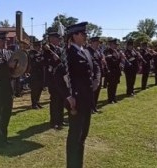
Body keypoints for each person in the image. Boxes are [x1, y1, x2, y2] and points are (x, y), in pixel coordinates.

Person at [64, 22, 100, 168]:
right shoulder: (68, 53)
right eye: (83, 34)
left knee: (82, 136)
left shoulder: (84, 51)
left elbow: (94, 66)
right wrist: (68, 95)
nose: (86, 36)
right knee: (75, 136)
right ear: (75, 35)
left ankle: (78, 164)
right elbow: (59, 76)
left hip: (86, 100)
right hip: (76, 101)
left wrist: (96, 78)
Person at [0, 32, 14, 147]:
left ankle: (4, 138)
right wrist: (7, 65)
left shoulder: (8, 53)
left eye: (5, 40)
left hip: (8, 88)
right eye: (2, 40)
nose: (5, 42)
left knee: (7, 114)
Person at [87, 36, 103, 113]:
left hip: (98, 74)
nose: (98, 45)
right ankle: (90, 108)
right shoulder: (88, 51)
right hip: (92, 75)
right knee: (92, 92)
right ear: (92, 43)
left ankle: (94, 107)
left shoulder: (98, 51)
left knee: (97, 91)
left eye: (98, 43)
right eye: (96, 43)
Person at [29, 40, 44, 109]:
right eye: (39, 46)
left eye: (40, 46)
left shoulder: (40, 53)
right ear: (36, 46)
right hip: (35, 74)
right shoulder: (32, 53)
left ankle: (37, 102)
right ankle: (34, 104)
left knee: (40, 88)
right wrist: (41, 60)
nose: (40, 47)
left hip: (41, 74)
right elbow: (34, 63)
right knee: (35, 89)